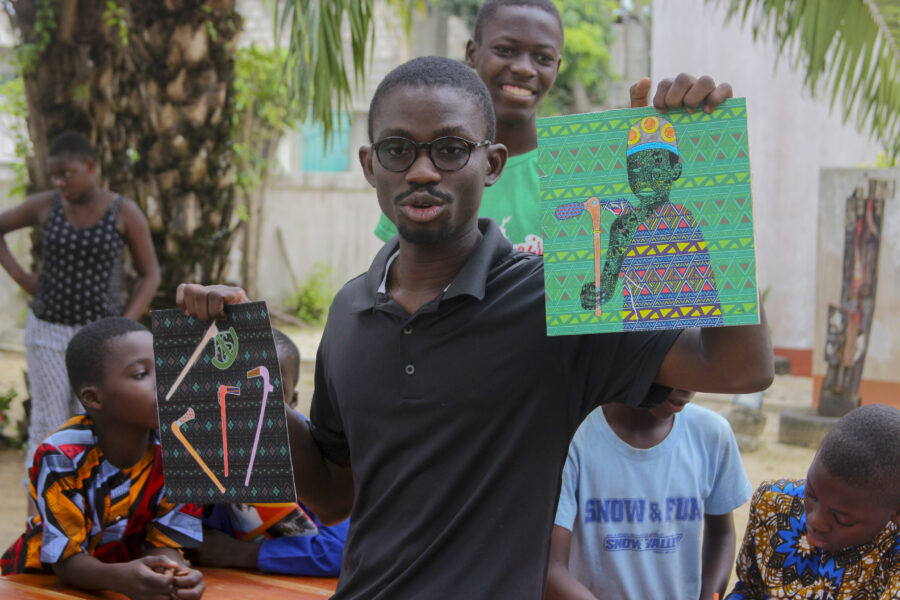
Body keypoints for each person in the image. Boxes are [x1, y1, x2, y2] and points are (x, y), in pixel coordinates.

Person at [177, 56, 773, 599]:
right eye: (397, 150)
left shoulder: (555, 300)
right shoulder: (349, 310)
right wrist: (233, 369)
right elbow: (336, 495)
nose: (422, 171)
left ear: (491, 164)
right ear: (369, 166)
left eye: (451, 149)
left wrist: (706, 181)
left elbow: (740, 366)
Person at [373, 0, 733, 256]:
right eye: (506, 49)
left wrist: (696, 140)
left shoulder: (585, 170)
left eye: (542, 58)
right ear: (472, 53)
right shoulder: (432, 171)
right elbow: (400, 280)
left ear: (557, 68)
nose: (525, 69)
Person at [0, 317, 204, 600]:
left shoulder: (183, 451)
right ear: (94, 399)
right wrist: (122, 578)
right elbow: (65, 561)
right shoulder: (61, 456)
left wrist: (174, 573)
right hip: (40, 585)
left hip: (125, 582)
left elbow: (165, 541)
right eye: (142, 374)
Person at [0, 131, 160, 471]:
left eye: (66, 173)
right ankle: (40, 517)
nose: (59, 182)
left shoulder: (123, 211)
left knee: (92, 421)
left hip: (102, 342)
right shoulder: (47, 205)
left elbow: (151, 275)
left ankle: (87, 508)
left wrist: (125, 326)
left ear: (90, 166)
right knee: (47, 422)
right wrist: (24, 280)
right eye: (53, 175)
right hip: (47, 332)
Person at [546, 389, 752, 600]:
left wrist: (712, 597)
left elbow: (721, 534)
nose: (687, 387)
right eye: (677, 369)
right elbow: (551, 568)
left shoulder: (711, 434)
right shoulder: (575, 438)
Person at [195, 328, 348, 576]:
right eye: (235, 386)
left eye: (270, 391)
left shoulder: (317, 452)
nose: (251, 404)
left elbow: (342, 551)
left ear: (293, 400)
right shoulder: (197, 444)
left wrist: (237, 554)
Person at [726, 404, 900, 599]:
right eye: (811, 495)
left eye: (841, 518)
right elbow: (749, 589)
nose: (816, 521)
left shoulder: (893, 549)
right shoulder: (774, 504)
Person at [580, 115, 724, 329]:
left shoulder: (683, 220)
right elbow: (608, 285)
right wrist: (593, 294)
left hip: (685, 334)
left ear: (675, 171)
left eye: (656, 164)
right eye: (636, 168)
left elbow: (703, 289)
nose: (645, 176)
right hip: (639, 335)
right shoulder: (622, 227)